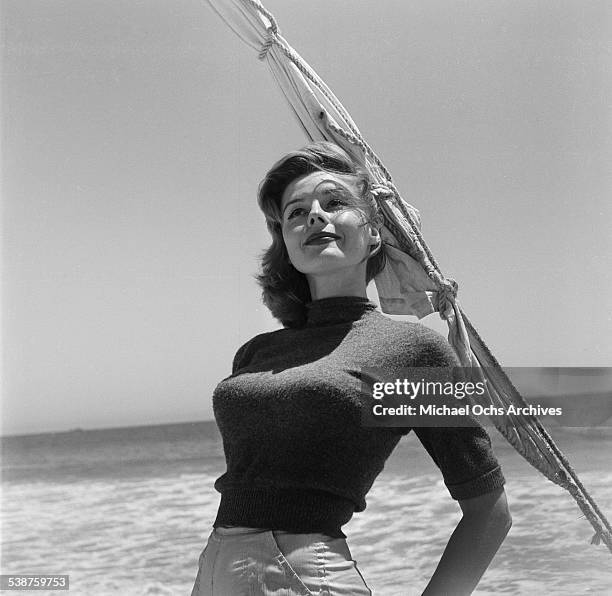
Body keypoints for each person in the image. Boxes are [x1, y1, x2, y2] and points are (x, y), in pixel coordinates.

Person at [191, 141, 511, 596]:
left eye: (335, 202)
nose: (314, 216)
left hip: (302, 575)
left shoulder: (413, 349)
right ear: (285, 239)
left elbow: (489, 509)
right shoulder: (256, 353)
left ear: (374, 232)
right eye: (295, 212)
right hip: (213, 571)